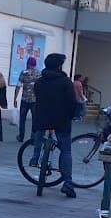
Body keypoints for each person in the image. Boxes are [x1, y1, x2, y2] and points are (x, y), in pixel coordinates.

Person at [31, 52, 79, 197]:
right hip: (61, 120)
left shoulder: (39, 82)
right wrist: (73, 115)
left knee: (38, 134)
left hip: (42, 118)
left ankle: (35, 157)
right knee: (66, 150)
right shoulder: (65, 82)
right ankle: (68, 183)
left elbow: (37, 99)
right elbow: (72, 102)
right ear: (59, 66)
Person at [14, 56, 40, 142]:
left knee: (22, 119)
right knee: (35, 119)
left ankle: (21, 136)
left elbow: (18, 85)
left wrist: (15, 98)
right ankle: (33, 137)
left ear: (28, 64)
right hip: (35, 100)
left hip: (24, 99)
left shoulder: (23, 72)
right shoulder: (39, 74)